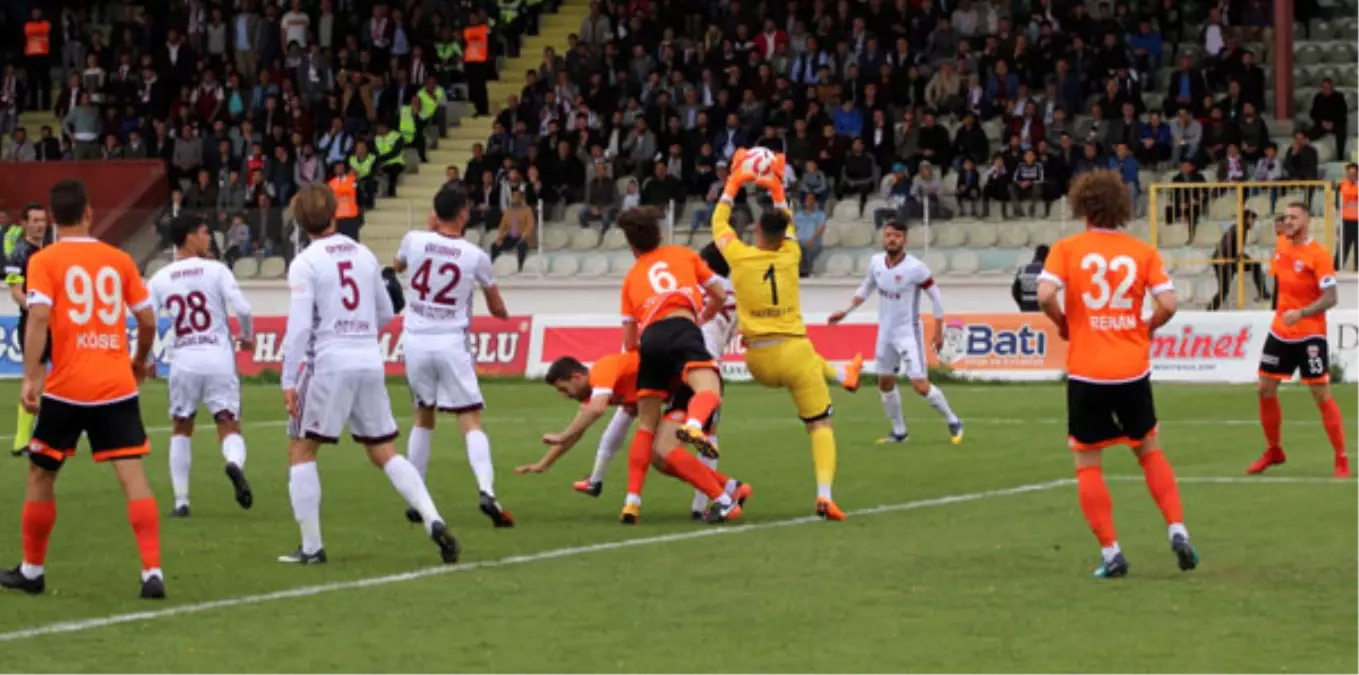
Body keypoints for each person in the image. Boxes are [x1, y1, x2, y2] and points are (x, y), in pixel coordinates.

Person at [278, 184, 459, 565]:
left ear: (299, 221)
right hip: (368, 360)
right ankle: (433, 518)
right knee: (384, 451)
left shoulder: (305, 263)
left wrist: (288, 380)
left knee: (301, 448)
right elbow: (384, 313)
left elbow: (298, 329)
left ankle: (311, 547)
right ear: (334, 213)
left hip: (327, 362)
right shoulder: (362, 254)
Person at [0, 180, 164, 598]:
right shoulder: (118, 259)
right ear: (89, 213)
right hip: (115, 384)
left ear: (53, 218)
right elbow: (146, 320)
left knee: (40, 473)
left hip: (68, 387)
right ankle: (152, 571)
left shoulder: (47, 259)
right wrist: (141, 360)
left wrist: (31, 376)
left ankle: (33, 570)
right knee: (132, 476)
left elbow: (38, 319)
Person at [1035, 170, 1198, 578]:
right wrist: (1146, 326)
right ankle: (1177, 529)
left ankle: (1112, 553)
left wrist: (1063, 323)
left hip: (1088, 372)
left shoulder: (1068, 248)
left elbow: (1043, 295)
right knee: (1149, 450)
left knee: (1088, 463)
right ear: (1121, 207)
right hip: (1131, 369)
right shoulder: (1141, 251)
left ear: (1082, 205)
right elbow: (1170, 303)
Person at [711, 150, 865, 521]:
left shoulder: (741, 257)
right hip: (795, 354)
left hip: (758, 360)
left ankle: (844, 375)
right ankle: (825, 496)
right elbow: (790, 224)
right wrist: (778, 188)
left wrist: (733, 183)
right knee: (820, 425)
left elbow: (718, 224)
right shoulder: (792, 255)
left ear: (757, 232)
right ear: (783, 236)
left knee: (807, 354)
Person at [393, 186, 514, 527]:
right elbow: (495, 302)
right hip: (451, 343)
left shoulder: (413, 240)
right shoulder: (474, 255)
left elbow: (397, 265)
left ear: (435, 212)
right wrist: (503, 315)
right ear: (463, 215)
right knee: (469, 419)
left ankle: (417, 500)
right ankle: (486, 490)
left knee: (422, 415)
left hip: (415, 341)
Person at [615, 206, 738, 524]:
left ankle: (632, 502)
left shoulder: (631, 279)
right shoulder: (683, 255)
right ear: (659, 234)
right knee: (708, 387)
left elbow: (629, 340)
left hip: (651, 340)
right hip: (682, 329)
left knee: (646, 427)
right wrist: (702, 316)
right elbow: (719, 293)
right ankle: (695, 425)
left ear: (632, 247)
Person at [521, 353, 751, 521]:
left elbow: (593, 414)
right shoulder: (598, 392)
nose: (564, 396)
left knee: (661, 446)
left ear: (578, 376)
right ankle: (731, 487)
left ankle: (722, 500)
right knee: (660, 459)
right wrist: (544, 463)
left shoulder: (603, 371)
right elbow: (579, 429)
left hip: (688, 388)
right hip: (676, 393)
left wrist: (562, 435)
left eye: (563, 388)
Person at [147, 216, 256, 517]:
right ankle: (234, 463)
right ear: (190, 237)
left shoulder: (160, 278)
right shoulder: (216, 270)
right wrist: (247, 337)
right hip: (218, 358)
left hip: (184, 361)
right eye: (205, 232)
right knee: (228, 424)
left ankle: (181, 502)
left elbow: (147, 320)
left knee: (181, 427)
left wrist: (146, 359)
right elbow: (244, 309)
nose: (209, 237)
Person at [829, 221, 963, 445]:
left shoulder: (916, 268)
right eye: (888, 235)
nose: (892, 239)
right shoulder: (876, 263)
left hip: (908, 333)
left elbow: (936, 297)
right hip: (886, 332)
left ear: (905, 240)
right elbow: (865, 288)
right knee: (885, 383)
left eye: (897, 236)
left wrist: (938, 331)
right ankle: (900, 432)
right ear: (883, 238)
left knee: (920, 386)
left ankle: (953, 420)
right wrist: (845, 311)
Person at [1247, 202, 1347, 477]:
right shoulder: (1281, 246)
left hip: (1310, 333)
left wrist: (1302, 312)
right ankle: (1274, 450)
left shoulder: (1319, 254)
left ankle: (1341, 456)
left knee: (1320, 393)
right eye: (1285, 217)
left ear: (1307, 220)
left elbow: (1331, 297)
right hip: (1281, 329)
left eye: (1293, 217)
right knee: (1264, 388)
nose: (1287, 222)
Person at [5, 203, 49, 456]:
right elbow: (15, 292)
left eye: (42, 220)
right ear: (24, 223)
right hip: (33, 323)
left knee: (61, 377)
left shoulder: (49, 252)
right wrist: (36, 311)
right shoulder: (19, 253)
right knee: (34, 378)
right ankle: (22, 441)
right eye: (34, 220)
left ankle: (50, 433)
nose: (39, 224)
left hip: (53, 323)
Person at [1208, 210, 1268, 311]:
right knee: (1223, 290)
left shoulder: (1239, 227)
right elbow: (1227, 241)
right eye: (1253, 220)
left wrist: (1242, 257)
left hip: (1229, 258)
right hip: (1225, 260)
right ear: (1248, 218)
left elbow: (1235, 247)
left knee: (1255, 264)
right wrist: (1222, 256)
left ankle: (1263, 292)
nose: (1253, 223)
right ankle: (1210, 310)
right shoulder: (1241, 227)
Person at [1011, 245, 1049, 312]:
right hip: (1043, 309)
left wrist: (1022, 304)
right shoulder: (1048, 270)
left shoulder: (1023, 269)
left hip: (1026, 308)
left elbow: (1015, 291)